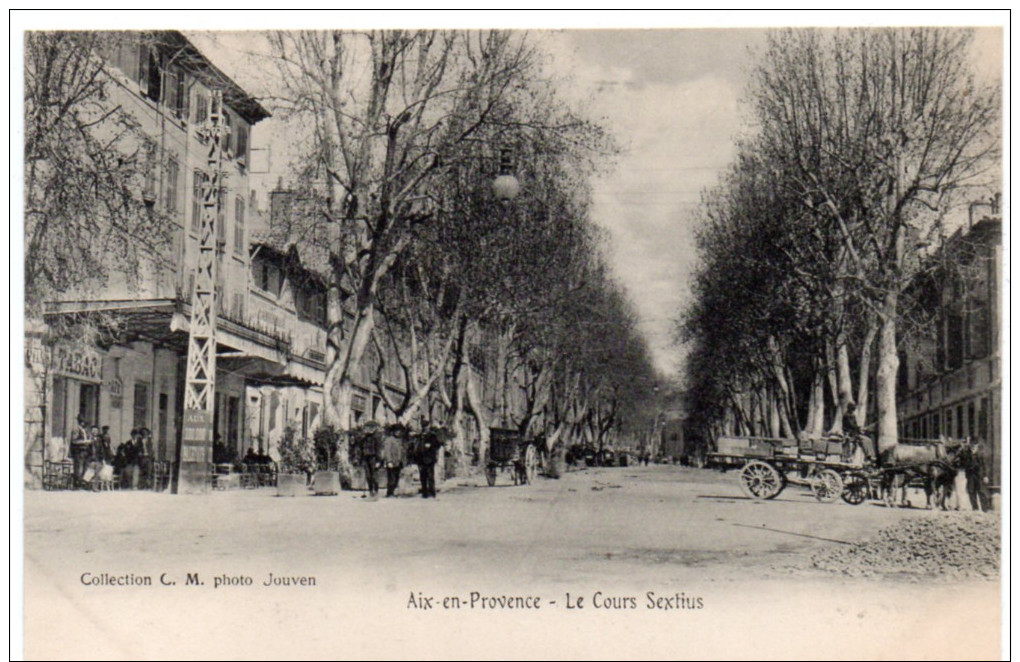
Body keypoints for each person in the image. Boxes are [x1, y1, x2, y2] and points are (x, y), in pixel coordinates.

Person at [962, 440, 992, 512]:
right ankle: (975, 508)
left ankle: (985, 509)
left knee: (981, 491)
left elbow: (985, 466)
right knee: (971, 491)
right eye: (971, 446)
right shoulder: (967, 454)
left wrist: (986, 476)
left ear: (977, 446)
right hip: (970, 475)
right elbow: (965, 465)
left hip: (979, 475)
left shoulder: (981, 454)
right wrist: (967, 475)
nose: (972, 448)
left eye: (974, 446)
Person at [418, 422, 443, 499]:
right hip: (421, 459)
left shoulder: (432, 436)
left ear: (429, 427)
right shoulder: (420, 436)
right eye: (424, 427)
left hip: (429, 459)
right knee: (423, 477)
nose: (425, 428)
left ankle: (432, 492)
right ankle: (424, 493)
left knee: (430, 476)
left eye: (426, 427)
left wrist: (431, 446)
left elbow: (438, 445)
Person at [381, 425, 406, 498]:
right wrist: (389, 461)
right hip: (391, 462)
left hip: (398, 462)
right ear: (393, 432)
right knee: (391, 478)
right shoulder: (389, 440)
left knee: (396, 477)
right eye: (397, 431)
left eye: (399, 431)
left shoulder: (400, 440)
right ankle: (389, 493)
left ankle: (393, 491)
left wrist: (403, 460)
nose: (398, 433)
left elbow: (402, 451)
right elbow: (387, 451)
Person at [361, 422, 382, 499]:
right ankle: (370, 491)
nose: (368, 430)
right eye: (367, 428)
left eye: (371, 428)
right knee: (368, 475)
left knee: (374, 476)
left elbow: (379, 450)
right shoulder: (364, 439)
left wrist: (378, 461)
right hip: (365, 458)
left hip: (373, 458)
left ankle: (376, 490)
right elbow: (361, 449)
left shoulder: (376, 438)